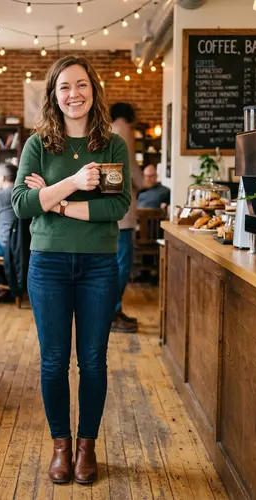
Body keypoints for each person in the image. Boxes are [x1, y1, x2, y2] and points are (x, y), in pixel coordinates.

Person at [12, 55, 130, 485]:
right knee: (54, 362)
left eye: (81, 85)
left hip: (100, 266)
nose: (73, 94)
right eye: (64, 86)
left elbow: (116, 206)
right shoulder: (38, 145)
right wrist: (77, 184)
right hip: (48, 266)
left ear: (93, 90)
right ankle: (61, 447)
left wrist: (56, 201)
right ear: (53, 95)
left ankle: (87, 448)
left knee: (94, 361)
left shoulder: (112, 145)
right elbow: (23, 206)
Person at [109, 103, 144, 334]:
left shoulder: (108, 129)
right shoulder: (124, 129)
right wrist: (145, 183)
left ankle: (113, 312)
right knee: (122, 263)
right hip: (123, 211)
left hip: (111, 210)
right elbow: (131, 168)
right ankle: (112, 313)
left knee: (115, 263)